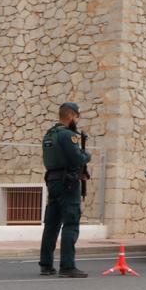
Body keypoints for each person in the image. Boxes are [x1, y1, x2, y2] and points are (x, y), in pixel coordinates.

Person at [39, 101, 90, 277]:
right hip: (68, 183)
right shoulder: (68, 135)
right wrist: (87, 155)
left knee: (51, 224)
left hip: (52, 181)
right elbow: (77, 158)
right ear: (71, 115)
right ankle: (67, 266)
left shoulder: (49, 134)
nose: (77, 119)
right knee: (71, 222)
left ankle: (46, 264)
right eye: (77, 116)